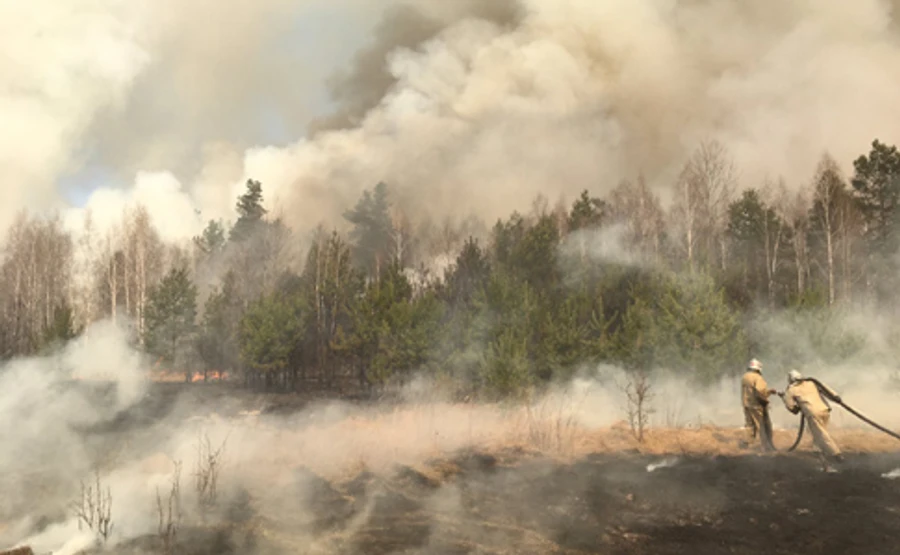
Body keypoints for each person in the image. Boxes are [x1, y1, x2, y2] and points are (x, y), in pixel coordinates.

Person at [781, 369, 844, 465]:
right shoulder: (811, 383)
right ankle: (818, 452)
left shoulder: (791, 389)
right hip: (825, 410)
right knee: (817, 433)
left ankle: (836, 454)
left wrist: (786, 400)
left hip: (813, 413)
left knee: (821, 434)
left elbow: (791, 407)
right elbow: (826, 390)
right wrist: (835, 396)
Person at [741, 358, 777, 450]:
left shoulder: (745, 376)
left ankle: (746, 444)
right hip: (756, 405)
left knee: (749, 425)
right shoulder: (757, 378)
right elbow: (760, 392)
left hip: (746, 404)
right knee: (762, 426)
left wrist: (769, 392)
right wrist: (766, 401)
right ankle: (766, 446)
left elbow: (751, 391)